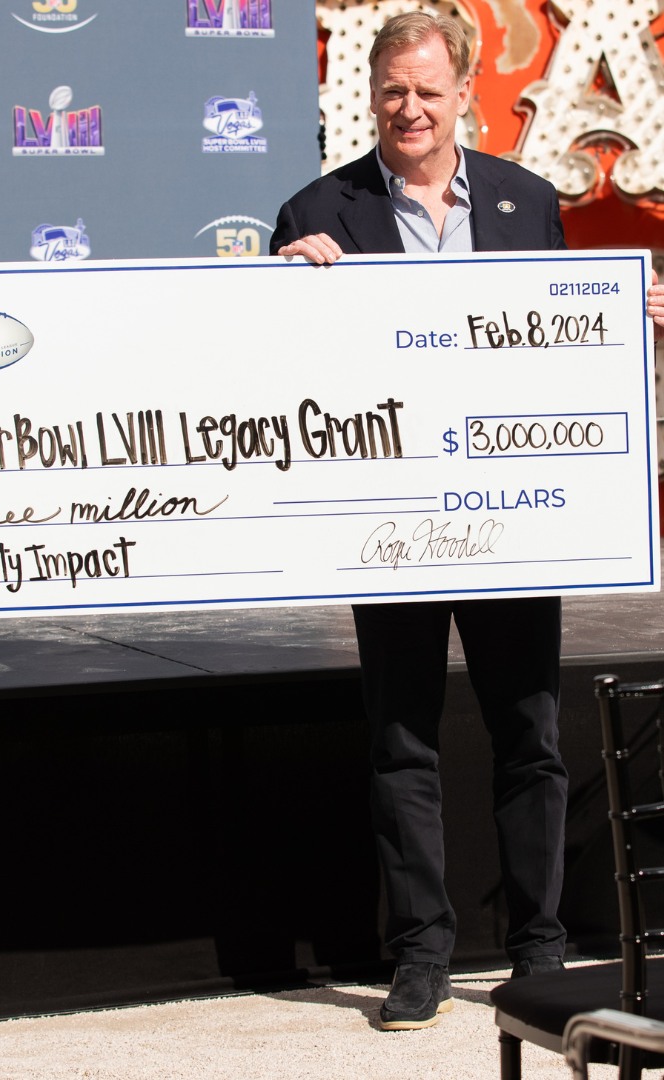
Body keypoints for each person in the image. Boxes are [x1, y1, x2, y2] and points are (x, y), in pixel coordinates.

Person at [271, 9, 663, 1033]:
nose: (409, 109)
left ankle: (538, 945)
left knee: (530, 734)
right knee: (402, 742)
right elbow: (277, 377)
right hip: (388, 521)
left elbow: (563, 341)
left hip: (512, 517)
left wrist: (630, 315)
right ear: (371, 95)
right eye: (392, 90)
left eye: (428, 92)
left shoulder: (529, 202)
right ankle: (421, 956)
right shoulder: (318, 210)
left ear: (466, 97)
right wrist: (280, 296)